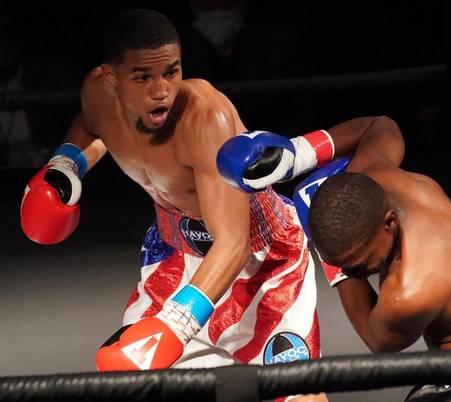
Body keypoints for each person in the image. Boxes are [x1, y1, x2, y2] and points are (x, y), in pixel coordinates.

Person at [16, 9, 386, 401]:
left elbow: (234, 243)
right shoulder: (97, 94)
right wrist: (66, 166)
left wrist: (177, 323)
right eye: (143, 77)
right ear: (111, 76)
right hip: (177, 255)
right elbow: (90, 125)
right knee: (137, 385)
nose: (161, 90)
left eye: (171, 72)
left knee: (295, 394)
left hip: (261, 263)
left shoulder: (206, 119)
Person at [223, 116, 451, 401]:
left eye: (359, 264)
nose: (355, 272)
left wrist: (336, 269)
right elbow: (381, 127)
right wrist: (298, 154)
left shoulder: (412, 289)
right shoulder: (375, 174)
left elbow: (377, 338)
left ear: (389, 223)